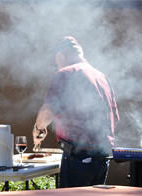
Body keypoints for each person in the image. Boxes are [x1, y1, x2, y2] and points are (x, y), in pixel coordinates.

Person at [32, 36, 120, 188]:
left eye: (56, 63)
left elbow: (48, 111)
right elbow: (115, 119)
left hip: (78, 156)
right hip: (102, 157)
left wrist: (38, 128)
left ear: (60, 56)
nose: (57, 67)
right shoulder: (102, 77)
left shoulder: (65, 74)